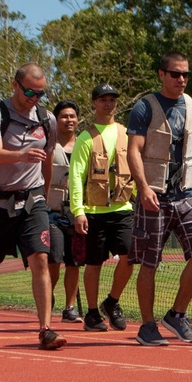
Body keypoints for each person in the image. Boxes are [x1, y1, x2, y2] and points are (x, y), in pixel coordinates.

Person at [0, 64, 67, 351]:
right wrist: (20, 154)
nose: (34, 98)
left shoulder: (47, 119)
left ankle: (46, 329)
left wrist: (43, 195)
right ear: (15, 85)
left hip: (32, 201)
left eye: (40, 93)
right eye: (29, 91)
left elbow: (47, 157)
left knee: (40, 260)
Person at [126, 52, 192, 346]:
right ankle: (147, 325)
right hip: (155, 196)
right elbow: (133, 151)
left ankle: (177, 314)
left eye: (185, 75)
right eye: (175, 74)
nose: (181, 80)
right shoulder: (144, 108)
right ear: (161, 74)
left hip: (186, 194)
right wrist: (143, 187)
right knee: (149, 262)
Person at [69, 83, 135, 332]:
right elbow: (76, 175)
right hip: (94, 211)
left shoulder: (126, 133)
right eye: (103, 99)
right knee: (93, 264)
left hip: (122, 208)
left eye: (112, 99)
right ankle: (93, 313)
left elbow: (134, 168)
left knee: (130, 256)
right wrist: (78, 211)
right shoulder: (86, 138)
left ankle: (112, 301)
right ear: (94, 103)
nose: (108, 104)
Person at [48, 99, 84, 323]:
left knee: (75, 262)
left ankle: (70, 307)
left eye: (72, 116)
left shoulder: (84, 144)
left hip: (78, 212)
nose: (68, 120)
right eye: (64, 116)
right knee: (53, 259)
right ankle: (47, 298)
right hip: (52, 211)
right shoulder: (48, 146)